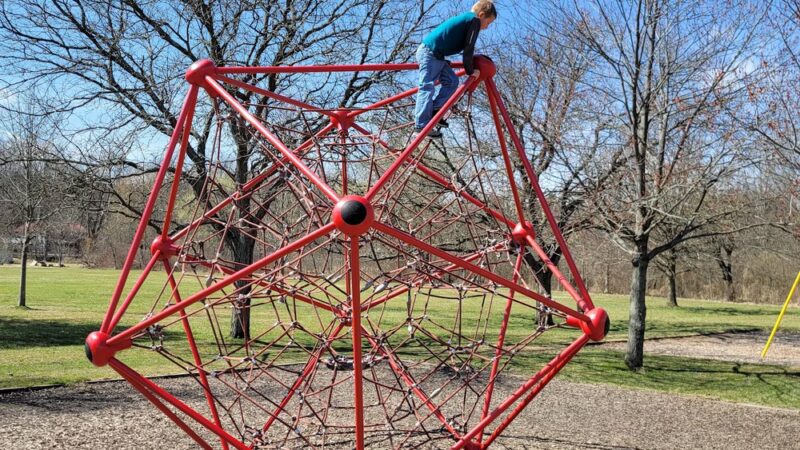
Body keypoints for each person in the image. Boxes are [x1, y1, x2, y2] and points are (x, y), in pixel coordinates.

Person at [413, 1, 497, 138]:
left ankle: (435, 111)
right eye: (488, 22)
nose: (487, 27)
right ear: (481, 15)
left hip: (437, 56)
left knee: (452, 81)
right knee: (427, 86)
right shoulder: (474, 20)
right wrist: (470, 71)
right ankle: (421, 126)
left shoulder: (468, 19)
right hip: (430, 52)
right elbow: (469, 48)